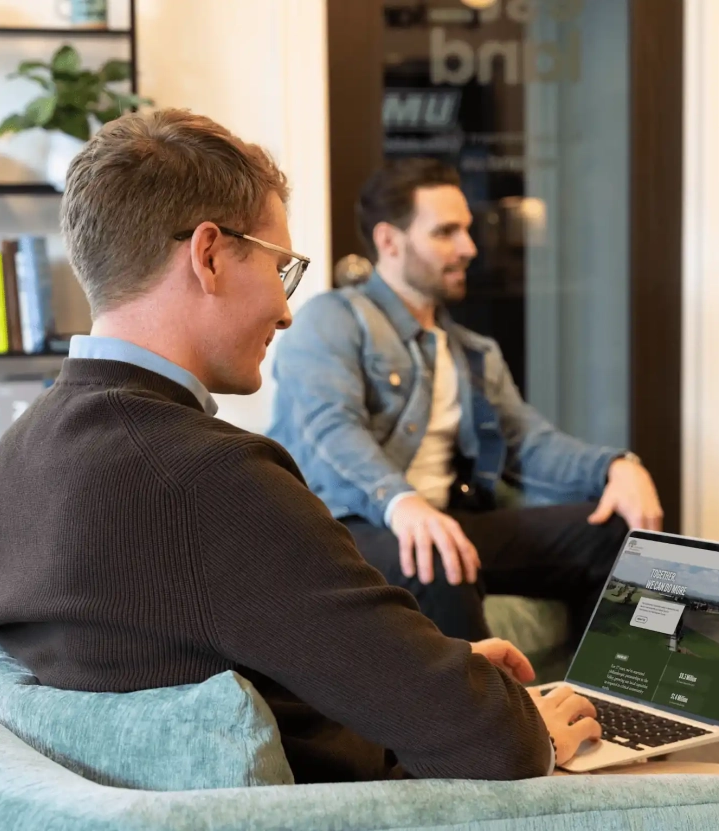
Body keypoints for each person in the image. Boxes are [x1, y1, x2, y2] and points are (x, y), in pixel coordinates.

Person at [0, 110, 719, 786]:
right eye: (281, 270)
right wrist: (508, 718)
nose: (286, 312)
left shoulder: (20, 452)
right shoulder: (210, 475)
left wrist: (441, 664)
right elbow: (489, 748)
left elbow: (186, 645)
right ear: (210, 255)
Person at [268, 157, 664, 645]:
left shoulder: (472, 352)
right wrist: (401, 502)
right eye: (446, 232)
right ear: (390, 241)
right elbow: (330, 428)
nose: (469, 248)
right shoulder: (332, 319)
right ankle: (496, 721)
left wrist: (617, 468)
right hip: (347, 532)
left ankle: (604, 705)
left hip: (441, 524)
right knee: (438, 554)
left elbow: (530, 444)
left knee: (614, 537)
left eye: (467, 231)